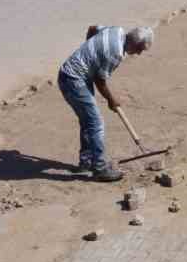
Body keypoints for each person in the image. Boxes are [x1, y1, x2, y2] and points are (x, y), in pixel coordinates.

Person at [58, 25, 153, 182]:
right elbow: (100, 81)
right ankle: (100, 169)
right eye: (140, 49)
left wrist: (90, 53)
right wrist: (111, 99)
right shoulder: (115, 54)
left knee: (87, 121)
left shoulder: (116, 30)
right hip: (74, 80)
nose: (139, 53)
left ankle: (86, 162)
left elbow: (92, 29)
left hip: (71, 74)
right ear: (135, 43)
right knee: (96, 123)